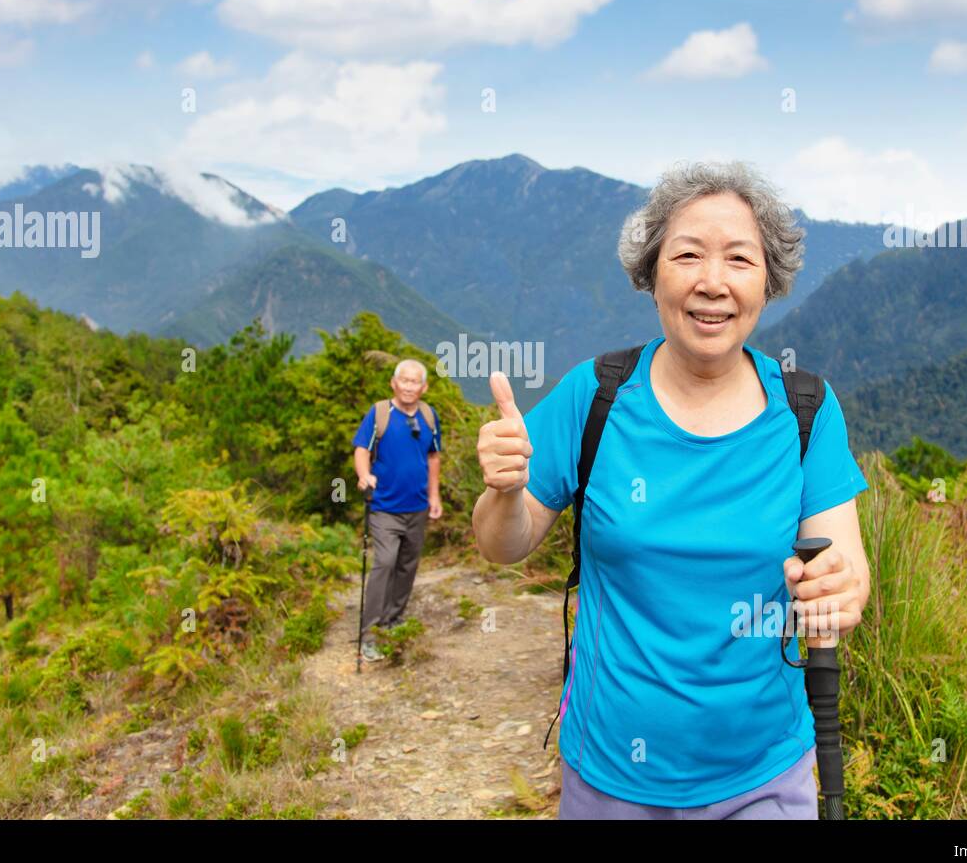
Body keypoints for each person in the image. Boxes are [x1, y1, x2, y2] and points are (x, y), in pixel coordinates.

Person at [471, 160, 872, 819]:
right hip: (612, 775)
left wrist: (840, 590)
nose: (711, 282)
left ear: (769, 282)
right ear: (651, 273)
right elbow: (501, 546)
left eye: (739, 260)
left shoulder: (806, 411)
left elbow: (846, 564)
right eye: (687, 255)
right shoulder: (594, 395)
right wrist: (506, 490)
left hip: (765, 771)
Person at [352, 359, 443, 663]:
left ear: (424, 387)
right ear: (393, 383)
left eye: (414, 381)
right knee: (385, 562)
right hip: (384, 507)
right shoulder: (379, 413)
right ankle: (370, 633)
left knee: (408, 565)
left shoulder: (430, 417)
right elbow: (362, 448)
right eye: (403, 380)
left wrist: (434, 496)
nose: (408, 386)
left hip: (417, 506)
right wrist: (364, 475)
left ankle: (394, 620)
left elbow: (433, 457)